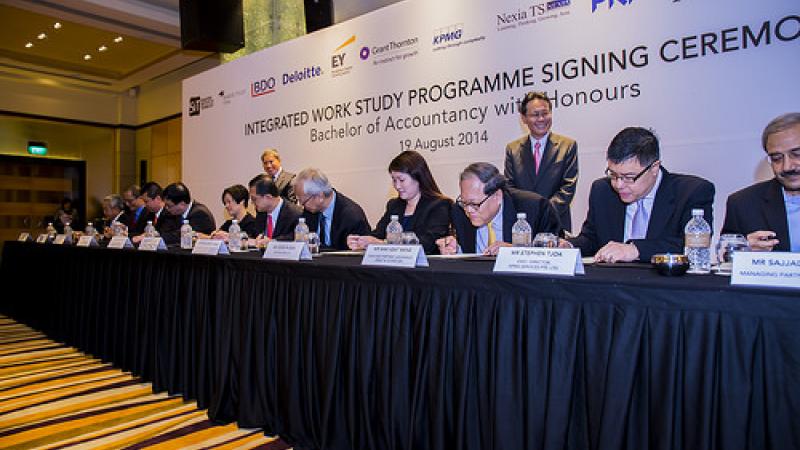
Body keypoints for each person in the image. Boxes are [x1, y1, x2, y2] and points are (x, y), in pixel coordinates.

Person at [565, 127, 715, 263]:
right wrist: (567, 246)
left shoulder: (691, 192)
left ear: (654, 168)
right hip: (612, 281)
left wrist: (635, 250)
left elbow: (693, 246)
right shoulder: (602, 190)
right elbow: (591, 240)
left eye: (629, 177)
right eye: (613, 175)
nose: (619, 185)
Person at [436, 162, 561, 256]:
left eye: (474, 204)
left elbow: (557, 252)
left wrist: (515, 252)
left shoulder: (534, 207)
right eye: (464, 202)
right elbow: (469, 259)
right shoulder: (459, 211)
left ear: (497, 196)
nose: (468, 210)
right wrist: (456, 251)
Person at [722, 112, 800, 252]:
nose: (787, 167)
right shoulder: (743, 204)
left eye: (797, 154)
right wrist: (743, 252)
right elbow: (725, 256)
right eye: (777, 158)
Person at [347, 151, 452, 254]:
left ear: (418, 178)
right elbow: (379, 234)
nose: (397, 186)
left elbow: (428, 244)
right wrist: (361, 241)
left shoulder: (440, 205)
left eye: (401, 180)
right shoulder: (394, 205)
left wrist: (381, 244)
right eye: (394, 180)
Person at [504, 91, 578, 232]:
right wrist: (529, 214)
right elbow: (510, 188)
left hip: (556, 222)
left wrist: (544, 213)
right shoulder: (512, 149)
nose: (541, 119)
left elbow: (567, 187)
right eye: (535, 115)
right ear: (524, 118)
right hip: (524, 224)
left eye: (545, 113)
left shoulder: (567, 146)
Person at [293, 168, 371, 250]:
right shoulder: (310, 211)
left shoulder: (352, 217)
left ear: (320, 196)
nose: (301, 205)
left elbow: (357, 254)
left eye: (303, 202)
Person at [250, 174, 303, 243]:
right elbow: (255, 235)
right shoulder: (261, 213)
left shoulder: (295, 214)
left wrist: (272, 242)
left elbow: (294, 237)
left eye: (254, 199)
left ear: (268, 197)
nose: (252, 202)